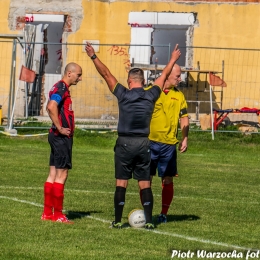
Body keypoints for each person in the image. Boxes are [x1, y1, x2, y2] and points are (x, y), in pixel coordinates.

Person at [85, 42, 181, 229]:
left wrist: (93, 56)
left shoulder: (123, 94)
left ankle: (118, 220)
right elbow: (163, 76)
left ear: (130, 81)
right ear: (144, 82)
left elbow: (106, 74)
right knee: (144, 183)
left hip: (125, 143)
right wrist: (172, 59)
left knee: (122, 182)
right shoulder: (152, 94)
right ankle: (150, 221)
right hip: (144, 144)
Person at [41, 62, 82, 223]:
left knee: (52, 174)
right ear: (70, 73)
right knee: (61, 174)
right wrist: (60, 127)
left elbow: (50, 106)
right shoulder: (62, 88)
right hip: (60, 138)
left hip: (55, 136)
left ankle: (47, 213)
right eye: (79, 75)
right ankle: (58, 215)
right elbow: (51, 107)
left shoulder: (58, 87)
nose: (80, 78)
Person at [148, 63, 189, 224]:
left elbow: (184, 117)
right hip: (149, 142)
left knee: (167, 179)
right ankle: (147, 211)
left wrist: (185, 137)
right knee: (146, 179)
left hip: (169, 144)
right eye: (177, 76)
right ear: (167, 74)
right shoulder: (152, 92)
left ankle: (164, 213)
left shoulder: (179, 96)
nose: (180, 79)